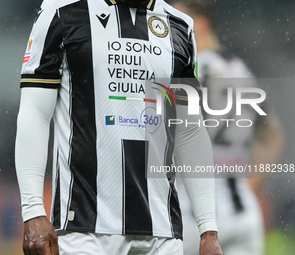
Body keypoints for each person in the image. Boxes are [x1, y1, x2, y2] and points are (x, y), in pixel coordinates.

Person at [15, 0, 224, 254]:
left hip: (163, 233)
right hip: (85, 230)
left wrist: (208, 228)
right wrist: (33, 210)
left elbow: (189, 131)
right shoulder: (61, 11)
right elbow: (34, 113)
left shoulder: (181, 26)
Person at [171, 1, 285, 255]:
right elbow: (273, 136)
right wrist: (246, 187)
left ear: (199, 23)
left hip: (195, 219)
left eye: (177, 19)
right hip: (243, 214)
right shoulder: (240, 69)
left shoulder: (187, 70)